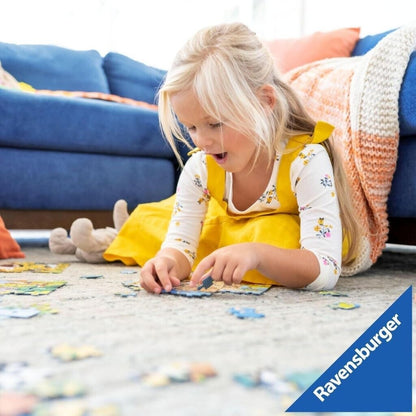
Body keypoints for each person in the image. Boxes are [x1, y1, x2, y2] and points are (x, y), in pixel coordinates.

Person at [103, 22, 362, 294]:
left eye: (215, 124)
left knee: (277, 232)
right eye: (191, 127)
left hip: (272, 244)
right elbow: (181, 248)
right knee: (155, 220)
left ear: (264, 103)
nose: (202, 141)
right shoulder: (200, 167)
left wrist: (256, 254)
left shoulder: (306, 161)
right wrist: (166, 262)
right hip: (223, 230)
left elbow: (325, 269)